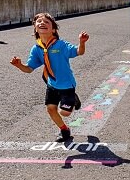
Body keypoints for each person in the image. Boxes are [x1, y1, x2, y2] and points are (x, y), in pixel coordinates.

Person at [10, 12, 89, 142]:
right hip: (51, 84)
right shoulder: (37, 49)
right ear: (35, 28)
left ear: (53, 29)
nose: (42, 23)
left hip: (66, 85)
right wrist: (19, 65)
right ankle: (64, 130)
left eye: (46, 22)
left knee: (65, 112)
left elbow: (79, 52)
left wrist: (82, 42)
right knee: (51, 109)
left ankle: (73, 99)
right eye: (39, 21)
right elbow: (29, 69)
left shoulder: (61, 45)